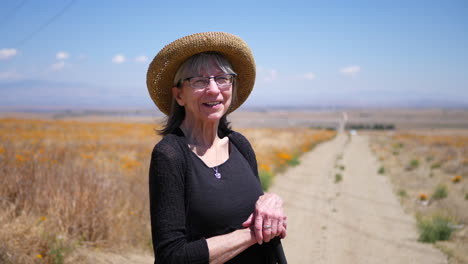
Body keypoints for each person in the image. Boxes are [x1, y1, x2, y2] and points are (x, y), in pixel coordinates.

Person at [147, 32, 287, 264]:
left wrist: (270, 200)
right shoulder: (170, 155)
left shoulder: (239, 144)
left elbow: (252, 207)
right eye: (199, 81)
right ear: (179, 94)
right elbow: (171, 257)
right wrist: (253, 233)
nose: (213, 89)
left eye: (222, 78)